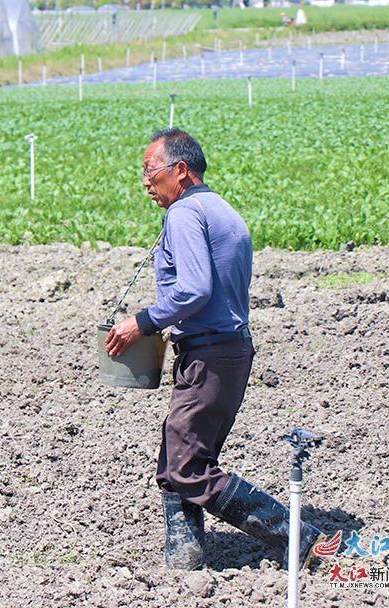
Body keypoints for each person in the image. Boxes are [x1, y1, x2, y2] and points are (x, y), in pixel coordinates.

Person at [104, 128, 322, 569]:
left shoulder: (185, 215)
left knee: (186, 466)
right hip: (227, 351)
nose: (146, 182)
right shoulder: (221, 209)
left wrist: (141, 322)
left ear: (180, 171)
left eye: (151, 172)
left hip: (209, 356)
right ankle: (185, 553)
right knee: (180, 452)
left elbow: (195, 289)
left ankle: (303, 540)